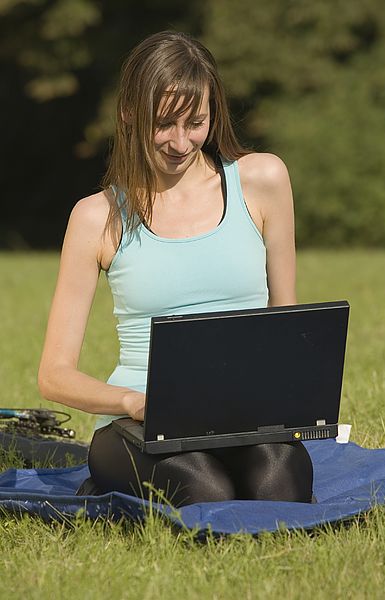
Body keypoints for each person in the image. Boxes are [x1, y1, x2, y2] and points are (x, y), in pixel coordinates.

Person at [38, 30, 313, 506]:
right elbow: (54, 374)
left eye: (196, 122)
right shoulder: (96, 217)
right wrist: (133, 403)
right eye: (164, 123)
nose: (181, 142)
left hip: (243, 411)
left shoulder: (263, 180)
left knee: (279, 483)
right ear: (129, 113)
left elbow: (285, 323)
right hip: (139, 419)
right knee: (205, 490)